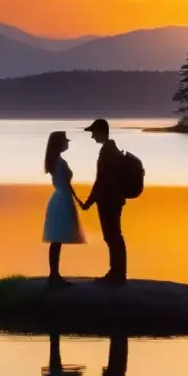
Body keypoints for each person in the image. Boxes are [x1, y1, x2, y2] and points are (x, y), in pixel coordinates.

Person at [80, 118, 127, 285]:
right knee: (113, 235)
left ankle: (117, 274)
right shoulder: (111, 149)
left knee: (112, 235)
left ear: (101, 132)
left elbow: (100, 180)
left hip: (109, 200)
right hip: (113, 199)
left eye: (93, 133)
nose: (92, 136)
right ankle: (117, 272)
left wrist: (89, 202)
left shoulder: (107, 152)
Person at [42, 130, 85, 288]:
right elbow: (65, 183)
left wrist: (76, 198)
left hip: (62, 198)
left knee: (57, 240)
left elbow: (66, 183)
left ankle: (54, 274)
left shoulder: (56, 160)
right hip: (61, 200)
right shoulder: (59, 162)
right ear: (59, 144)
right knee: (57, 239)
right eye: (65, 141)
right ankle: (54, 275)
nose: (68, 143)